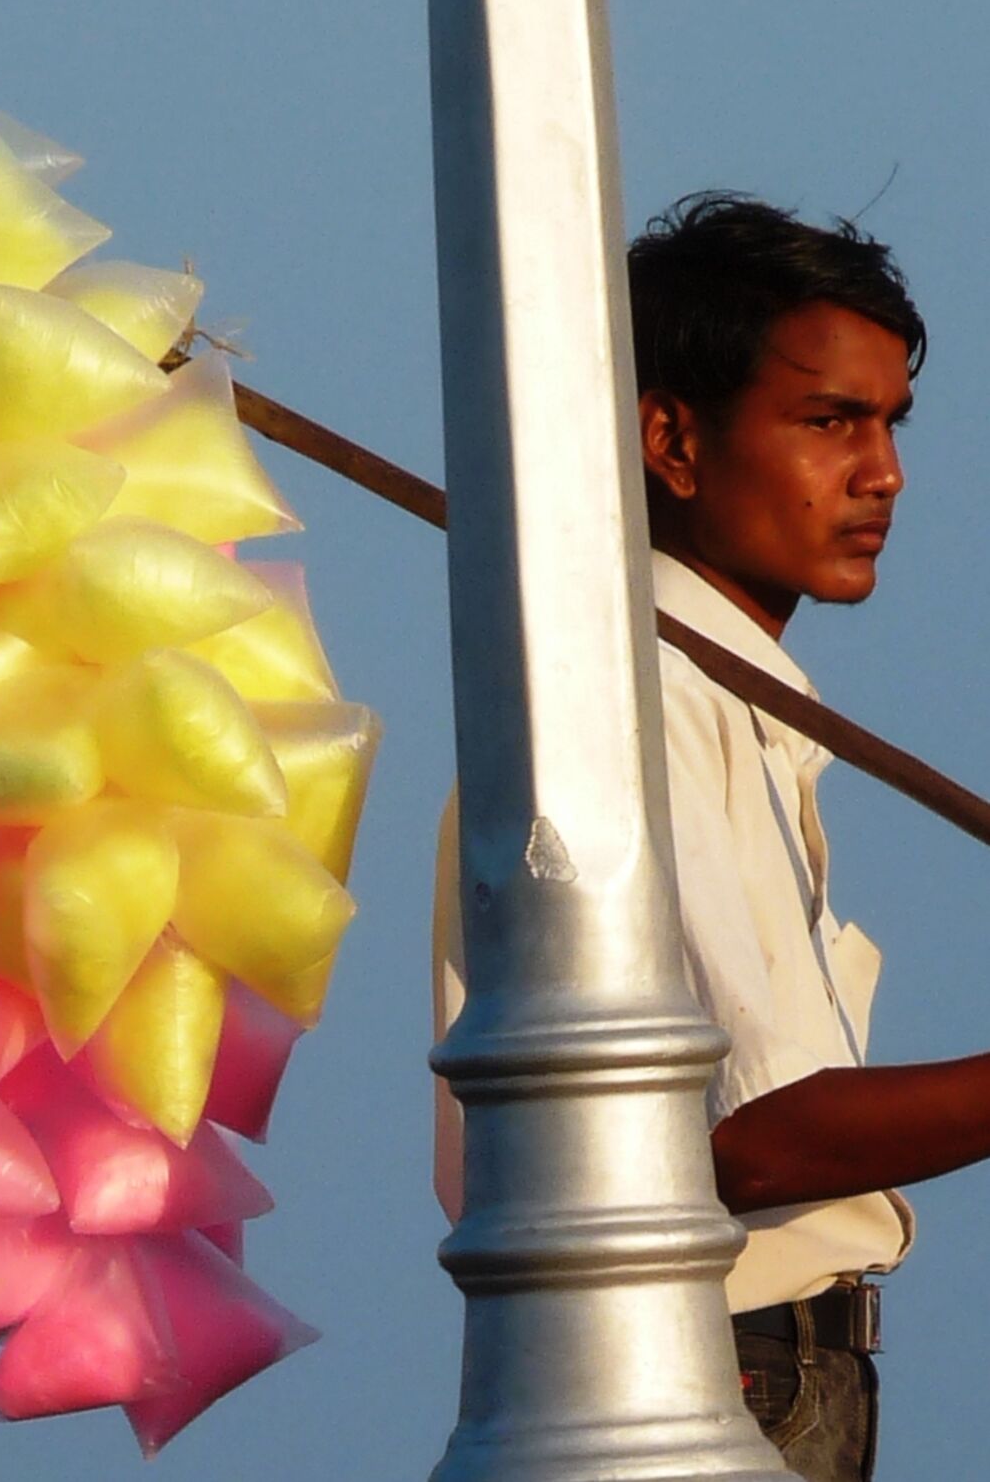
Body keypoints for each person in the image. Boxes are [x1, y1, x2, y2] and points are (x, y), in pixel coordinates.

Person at [432, 193, 952, 1482]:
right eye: (829, 421)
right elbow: (750, 1138)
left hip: (767, 1377)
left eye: (889, 424)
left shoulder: (722, 701)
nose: (882, 472)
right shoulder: (635, 704)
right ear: (671, 439)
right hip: (707, 1385)